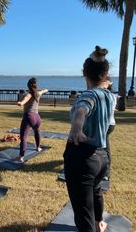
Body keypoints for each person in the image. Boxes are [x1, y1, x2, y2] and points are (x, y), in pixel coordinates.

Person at [64, 46, 113, 232]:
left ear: (84, 72)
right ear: (106, 74)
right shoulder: (109, 96)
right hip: (101, 158)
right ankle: (100, 223)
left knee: (84, 216)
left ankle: (94, 225)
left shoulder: (88, 95)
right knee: (96, 191)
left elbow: (82, 109)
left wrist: (77, 129)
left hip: (82, 158)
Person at [17, 77, 48, 163]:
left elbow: (25, 100)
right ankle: (38, 147)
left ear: (28, 86)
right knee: (37, 132)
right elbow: (45, 90)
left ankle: (21, 156)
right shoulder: (38, 93)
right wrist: (45, 90)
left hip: (29, 117)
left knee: (23, 137)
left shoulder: (28, 94)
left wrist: (20, 103)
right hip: (37, 118)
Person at [103, 78, 117, 181]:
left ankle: (106, 173)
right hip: (109, 124)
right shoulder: (111, 95)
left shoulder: (108, 96)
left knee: (105, 149)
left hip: (107, 125)